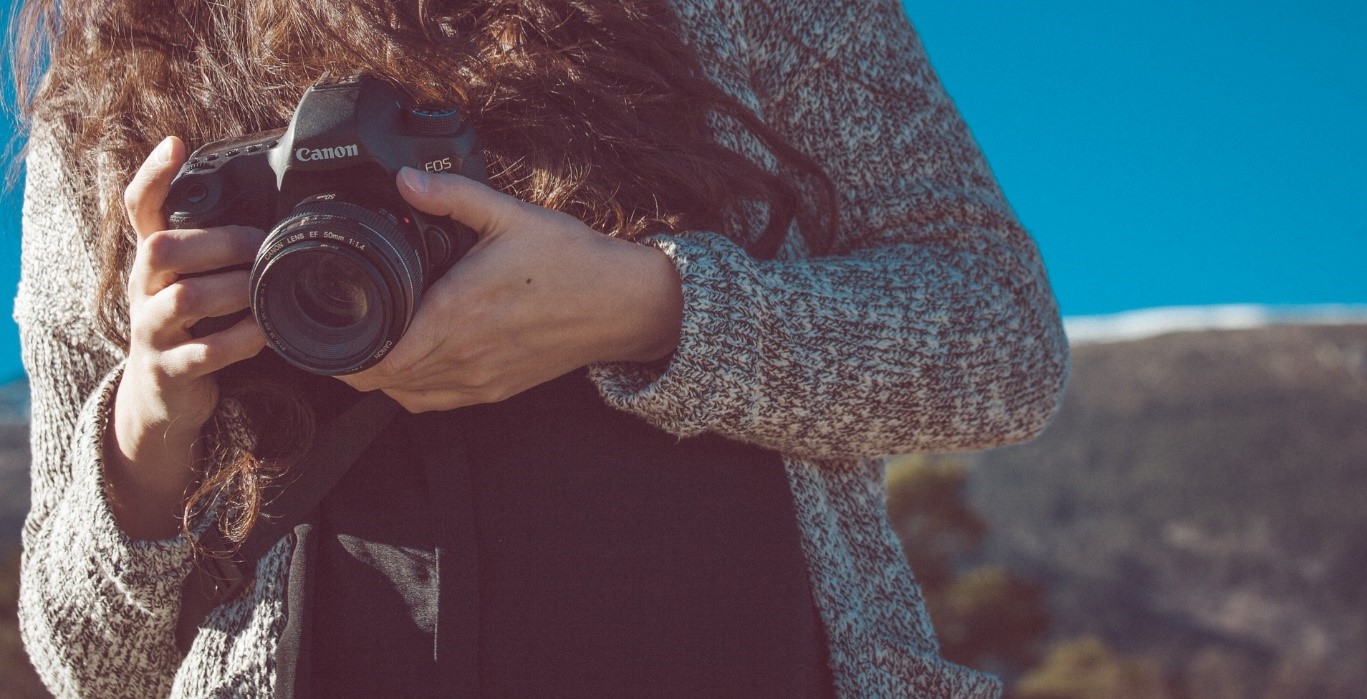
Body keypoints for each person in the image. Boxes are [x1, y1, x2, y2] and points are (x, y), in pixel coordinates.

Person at [12, 0, 1069, 696]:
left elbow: (1005, 339)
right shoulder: (121, 82)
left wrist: (647, 308)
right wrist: (148, 419)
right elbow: (81, 667)